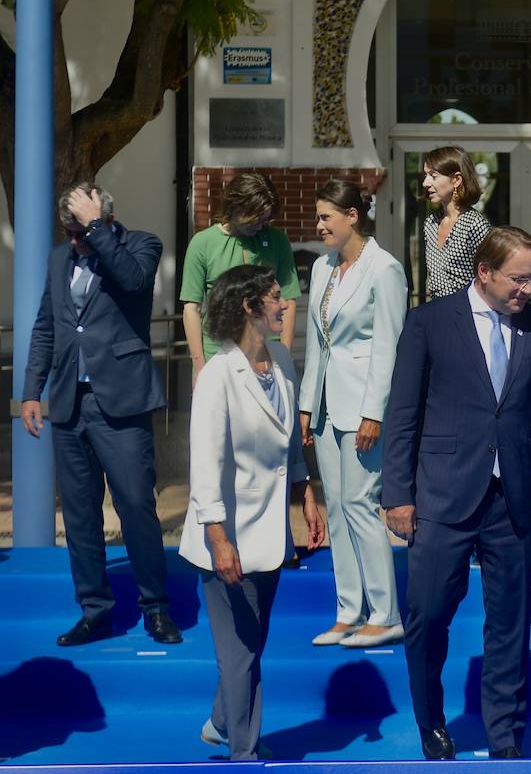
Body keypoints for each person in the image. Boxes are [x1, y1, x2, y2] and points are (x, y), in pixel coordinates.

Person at [382, 227, 531, 760]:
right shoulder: (429, 322)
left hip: (511, 498)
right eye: (519, 279)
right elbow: (403, 414)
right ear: (484, 272)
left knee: (511, 623)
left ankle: (505, 737)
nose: (528, 290)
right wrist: (398, 494)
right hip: (441, 496)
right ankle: (431, 722)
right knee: (426, 615)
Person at [21, 183, 181, 647]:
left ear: (106, 220)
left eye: (83, 231)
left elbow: (132, 280)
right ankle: (95, 610)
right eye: (69, 232)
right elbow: (47, 325)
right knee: (80, 516)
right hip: (71, 403)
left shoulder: (140, 245)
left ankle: (156, 607)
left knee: (135, 505)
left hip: (123, 401)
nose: (76, 241)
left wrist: (96, 227)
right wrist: (33, 390)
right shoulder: (59, 259)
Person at [179, 264, 325, 761]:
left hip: (271, 537)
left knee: (250, 647)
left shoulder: (281, 358)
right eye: (275, 297)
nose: (285, 304)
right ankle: (245, 753)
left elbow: (288, 445)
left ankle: (221, 723)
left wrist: (307, 492)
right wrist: (218, 539)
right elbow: (206, 465)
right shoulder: (218, 375)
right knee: (241, 657)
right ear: (249, 307)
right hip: (227, 541)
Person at [299, 180, 408, 648]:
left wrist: (374, 412)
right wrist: (307, 404)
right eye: (318, 216)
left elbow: (389, 345)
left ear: (353, 216)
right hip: (326, 404)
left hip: (364, 408)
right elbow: (315, 342)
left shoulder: (384, 269)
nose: (319, 225)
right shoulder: (323, 268)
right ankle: (349, 611)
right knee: (339, 509)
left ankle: (385, 614)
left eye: (327, 216)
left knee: (363, 505)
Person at [182, 172, 301, 386]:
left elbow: (290, 301)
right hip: (217, 356)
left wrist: (284, 356)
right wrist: (200, 366)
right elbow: (191, 308)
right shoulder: (202, 243)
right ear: (234, 205)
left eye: (266, 219)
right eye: (255, 219)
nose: (260, 225)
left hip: (268, 357)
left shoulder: (277, 240)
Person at [420, 145, 493, 299]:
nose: (425, 183)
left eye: (433, 176)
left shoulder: (475, 225)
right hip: (436, 312)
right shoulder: (430, 224)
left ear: (456, 180)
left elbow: (491, 277)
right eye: (426, 175)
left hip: (466, 314)